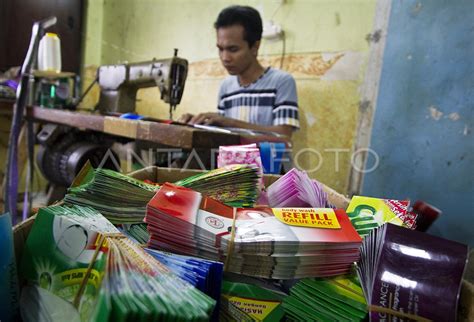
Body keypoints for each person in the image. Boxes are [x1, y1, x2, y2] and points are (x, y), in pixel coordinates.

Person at [178, 5, 300, 138]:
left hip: (269, 159)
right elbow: (224, 133)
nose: (225, 58)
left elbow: (283, 135)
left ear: (255, 46)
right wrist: (197, 124)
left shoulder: (281, 82)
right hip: (236, 158)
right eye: (220, 49)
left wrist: (231, 123)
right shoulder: (226, 86)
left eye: (233, 49)